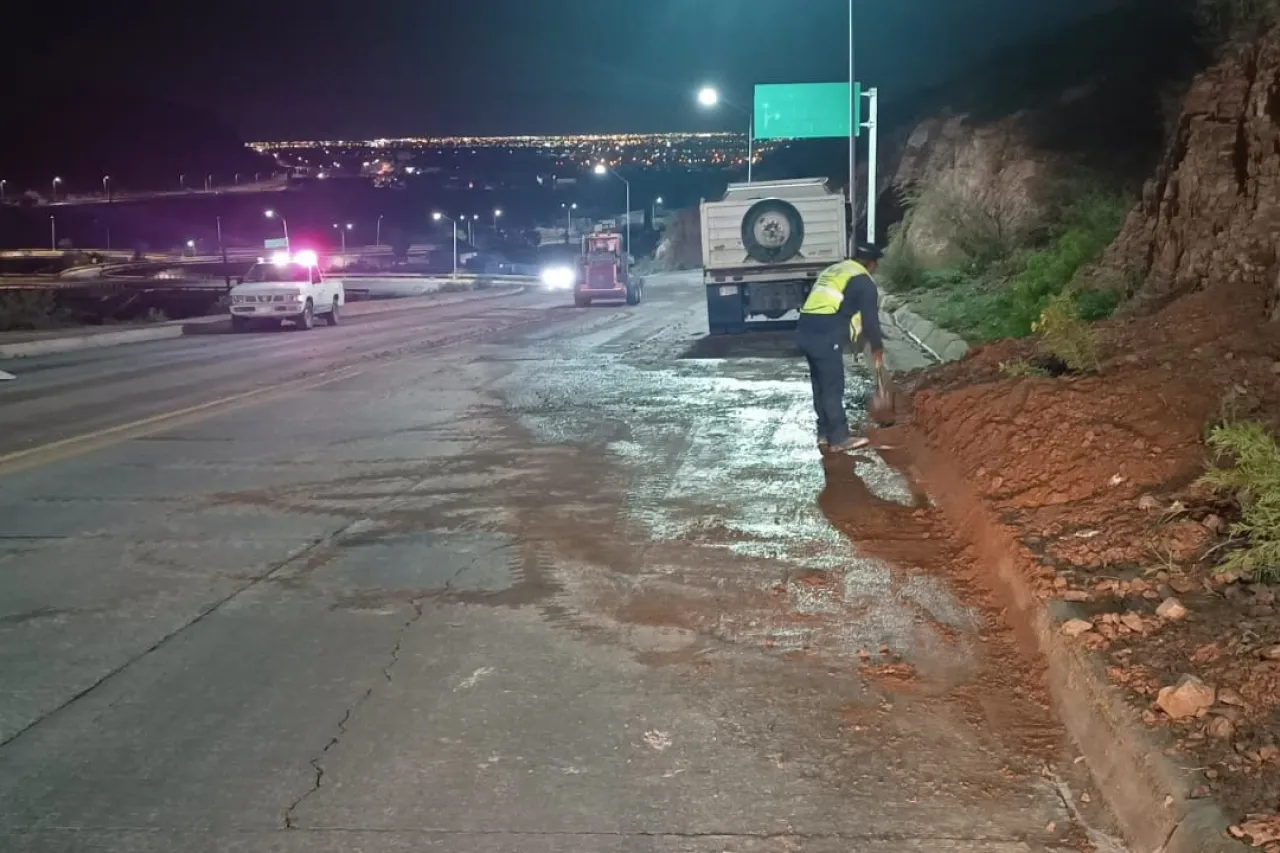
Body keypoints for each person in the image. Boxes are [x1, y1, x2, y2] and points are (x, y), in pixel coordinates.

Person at [795, 243, 885, 454]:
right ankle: (839, 438)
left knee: (819, 383)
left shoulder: (835, 270)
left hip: (804, 328)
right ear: (871, 264)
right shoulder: (864, 282)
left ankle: (824, 434)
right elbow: (871, 320)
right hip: (826, 331)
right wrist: (877, 347)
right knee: (832, 386)